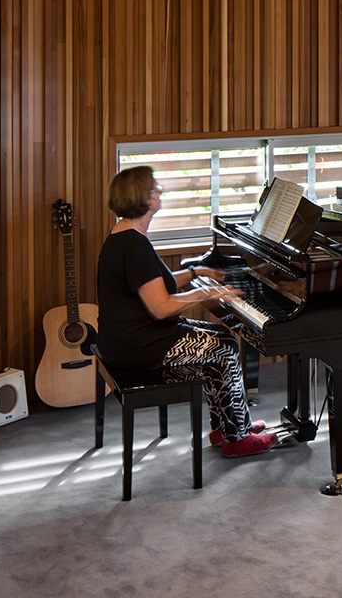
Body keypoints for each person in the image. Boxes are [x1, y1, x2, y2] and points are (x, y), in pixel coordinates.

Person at [96, 165, 279, 457]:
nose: (160, 191)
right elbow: (160, 307)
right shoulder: (134, 245)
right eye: (155, 188)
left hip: (127, 338)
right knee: (225, 346)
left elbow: (156, 282)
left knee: (219, 335)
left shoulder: (125, 235)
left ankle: (226, 427)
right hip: (138, 345)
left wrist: (197, 272)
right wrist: (206, 292)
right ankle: (237, 438)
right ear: (141, 198)